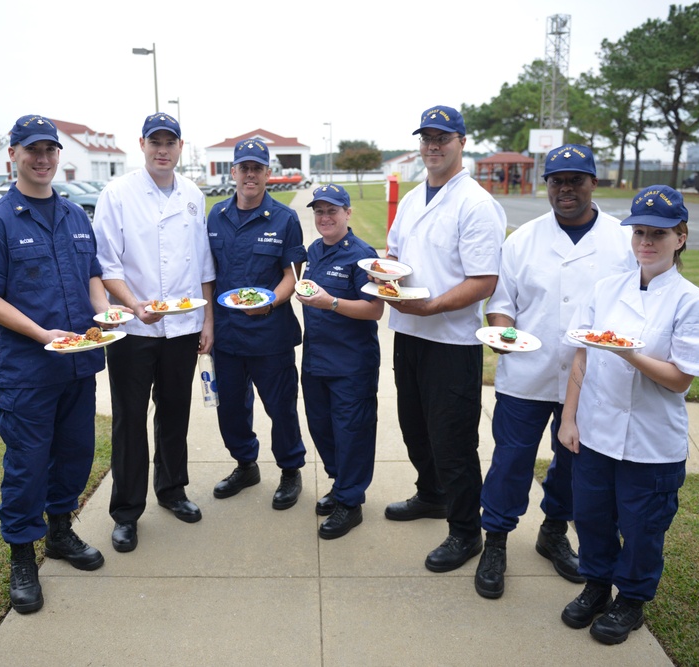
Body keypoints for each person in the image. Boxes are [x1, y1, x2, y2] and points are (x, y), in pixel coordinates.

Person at [557, 185, 699, 645]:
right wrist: (570, 419)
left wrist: (627, 354)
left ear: (681, 237)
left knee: (642, 527)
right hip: (595, 431)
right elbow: (581, 358)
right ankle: (595, 585)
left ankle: (630, 599)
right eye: (639, 233)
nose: (646, 242)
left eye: (658, 233)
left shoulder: (693, 303)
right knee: (591, 516)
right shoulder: (607, 289)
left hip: (651, 442)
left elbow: (679, 379)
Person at [474, 144, 639, 599]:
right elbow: (502, 305)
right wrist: (503, 336)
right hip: (528, 374)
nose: (565, 189)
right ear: (545, 185)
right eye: (556, 180)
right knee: (510, 462)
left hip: (590, 382)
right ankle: (497, 541)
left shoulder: (622, 242)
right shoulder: (523, 239)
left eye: (575, 180)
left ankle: (552, 532)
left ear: (593, 183)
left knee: (572, 466)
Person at [0, 114, 111, 614]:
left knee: (74, 455)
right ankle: (22, 557)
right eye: (33, 150)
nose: (43, 158)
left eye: (50, 150)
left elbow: (92, 276)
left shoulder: (74, 216)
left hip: (79, 366)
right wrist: (42, 334)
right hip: (28, 372)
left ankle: (61, 534)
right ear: (14, 155)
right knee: (27, 466)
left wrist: (105, 314)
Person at [382, 105, 507, 572]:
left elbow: (484, 280)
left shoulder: (475, 204)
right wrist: (386, 276)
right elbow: (393, 251)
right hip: (408, 332)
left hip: (451, 342)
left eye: (443, 138)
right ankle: (431, 495)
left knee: (452, 439)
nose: (433, 146)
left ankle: (464, 531)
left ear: (462, 142)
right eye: (427, 138)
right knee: (415, 428)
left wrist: (431, 305)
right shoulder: (415, 198)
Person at [93, 112, 216, 554]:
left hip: (182, 325)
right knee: (129, 420)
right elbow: (106, 264)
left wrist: (207, 321)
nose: (163, 150)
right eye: (155, 142)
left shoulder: (192, 194)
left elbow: (203, 263)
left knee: (175, 412)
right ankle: (126, 512)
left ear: (181, 147)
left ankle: (172, 489)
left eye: (171, 142)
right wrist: (131, 305)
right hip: (132, 329)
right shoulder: (118, 193)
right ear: (142, 144)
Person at [206, 139, 308, 509]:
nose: (250, 174)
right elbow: (207, 273)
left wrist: (270, 301)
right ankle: (245, 465)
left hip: (270, 335)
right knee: (230, 407)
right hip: (228, 336)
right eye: (244, 168)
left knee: (281, 408)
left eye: (257, 168)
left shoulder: (284, 219)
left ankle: (290, 470)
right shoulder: (215, 216)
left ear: (268, 174)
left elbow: (292, 275)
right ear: (233, 172)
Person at [295, 184, 384, 539]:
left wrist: (330, 302)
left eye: (332, 211)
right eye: (319, 211)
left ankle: (351, 502)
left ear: (348, 213)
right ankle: (340, 483)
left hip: (351, 363)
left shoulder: (362, 255)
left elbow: (375, 309)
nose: (325, 217)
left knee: (352, 433)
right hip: (317, 359)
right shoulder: (314, 251)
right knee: (322, 427)